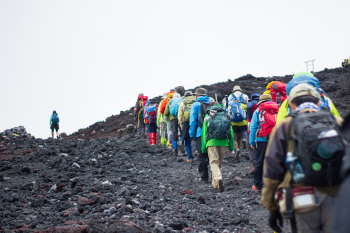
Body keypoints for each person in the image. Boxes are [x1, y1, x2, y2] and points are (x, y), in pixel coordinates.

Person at [261, 83, 344, 233]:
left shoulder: (285, 126)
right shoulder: (337, 123)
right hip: (336, 197)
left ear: (291, 104)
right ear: (318, 102)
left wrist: (271, 206)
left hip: (301, 198)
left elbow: (273, 170)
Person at [201, 102, 234, 191]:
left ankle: (218, 179)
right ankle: (215, 184)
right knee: (219, 163)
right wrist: (231, 146)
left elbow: (204, 132)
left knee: (213, 162)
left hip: (212, 142)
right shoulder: (225, 115)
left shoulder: (209, 115)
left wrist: (203, 147)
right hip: (224, 142)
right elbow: (231, 131)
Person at [249, 94, 278, 192]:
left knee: (259, 162)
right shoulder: (278, 110)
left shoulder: (258, 111)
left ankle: (257, 185)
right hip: (275, 140)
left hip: (261, 140)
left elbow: (253, 128)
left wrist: (252, 142)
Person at [189, 88, 213, 183]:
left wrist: (192, 135)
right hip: (213, 132)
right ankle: (215, 176)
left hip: (200, 133)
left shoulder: (196, 104)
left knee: (202, 155)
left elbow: (193, 121)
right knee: (213, 155)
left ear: (198, 95)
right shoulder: (213, 102)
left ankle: (204, 178)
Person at [226, 85, 248, 161]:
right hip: (242, 123)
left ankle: (236, 149)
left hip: (233, 124)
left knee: (234, 138)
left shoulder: (230, 104)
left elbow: (227, 113)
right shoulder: (243, 104)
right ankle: (240, 150)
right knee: (239, 137)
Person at [178, 91, 196, 162]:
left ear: (184, 96)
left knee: (187, 140)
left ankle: (190, 157)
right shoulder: (195, 101)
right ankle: (198, 152)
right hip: (195, 121)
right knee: (197, 138)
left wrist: (181, 124)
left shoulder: (183, 102)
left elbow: (180, 115)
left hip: (186, 122)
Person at [246, 93, 260, 174]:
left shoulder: (252, 103)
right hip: (269, 129)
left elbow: (249, 107)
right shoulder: (267, 104)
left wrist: (250, 117)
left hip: (255, 128)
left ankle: (255, 166)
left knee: (251, 146)